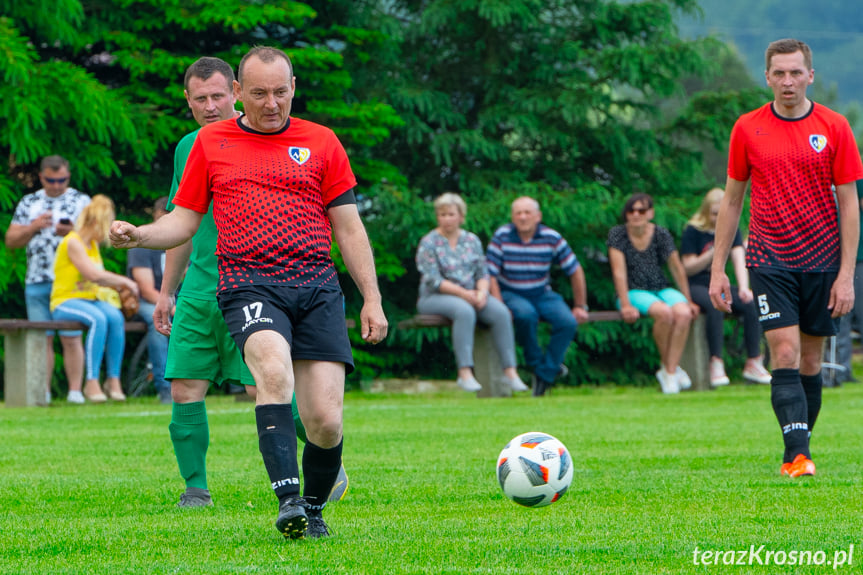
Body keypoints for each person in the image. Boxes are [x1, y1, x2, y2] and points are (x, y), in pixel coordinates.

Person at [111, 46, 387, 539]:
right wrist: (141, 235)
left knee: (324, 420)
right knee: (271, 373)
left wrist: (372, 297)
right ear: (242, 92)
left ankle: (314, 508)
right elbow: (184, 220)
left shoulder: (322, 142)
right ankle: (286, 501)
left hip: (317, 287)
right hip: (248, 283)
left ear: (294, 87)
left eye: (281, 92)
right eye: (259, 93)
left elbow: (348, 226)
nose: (271, 102)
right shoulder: (209, 143)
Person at [153, 57, 346, 510]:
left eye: (217, 96)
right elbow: (182, 221)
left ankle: (323, 448)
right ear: (188, 101)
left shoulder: (277, 140)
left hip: (258, 282)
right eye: (200, 99)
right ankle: (196, 488)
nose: (210, 105)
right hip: (203, 287)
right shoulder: (191, 147)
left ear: (234, 93)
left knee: (265, 385)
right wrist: (167, 291)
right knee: (184, 386)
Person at [709, 39, 863, 478]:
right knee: (785, 351)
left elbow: (850, 204)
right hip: (768, 257)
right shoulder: (747, 127)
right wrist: (719, 269)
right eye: (779, 73)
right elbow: (733, 201)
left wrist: (847, 275)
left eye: (796, 72)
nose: (788, 81)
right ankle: (797, 456)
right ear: (767, 77)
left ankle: (798, 448)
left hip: (823, 261)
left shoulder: (834, 126)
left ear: (810, 75)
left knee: (811, 362)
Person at [415, 193, 528, 393]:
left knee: (500, 312)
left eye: (451, 214)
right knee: (464, 311)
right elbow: (433, 280)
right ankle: (465, 372)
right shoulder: (429, 242)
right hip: (435, 296)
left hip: (472, 293)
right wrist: (465, 294)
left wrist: (482, 293)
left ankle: (510, 372)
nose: (447, 219)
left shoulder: (471, 240)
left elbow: (482, 272)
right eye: (442, 215)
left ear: (461, 216)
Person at [5, 155, 89, 404]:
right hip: (37, 280)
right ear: (42, 177)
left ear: (68, 176)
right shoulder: (30, 202)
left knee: (71, 337)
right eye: (51, 180)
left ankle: (75, 392)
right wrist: (33, 227)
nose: (56, 185)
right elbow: (11, 241)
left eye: (61, 179)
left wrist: (73, 231)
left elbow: (98, 238)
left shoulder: (80, 200)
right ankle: (42, 393)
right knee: (42, 339)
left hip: (70, 281)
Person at [486, 196, 589, 397]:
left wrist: (580, 305)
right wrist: (498, 304)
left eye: (527, 213)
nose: (523, 217)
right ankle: (539, 367)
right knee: (526, 315)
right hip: (511, 292)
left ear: (538, 216)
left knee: (567, 321)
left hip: (542, 293)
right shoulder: (502, 236)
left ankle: (544, 373)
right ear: (512, 217)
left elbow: (575, 270)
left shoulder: (552, 237)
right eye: (518, 213)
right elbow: (490, 274)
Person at [50, 195, 140, 403]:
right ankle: (91, 382)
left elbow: (99, 280)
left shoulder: (92, 245)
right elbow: (93, 275)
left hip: (90, 299)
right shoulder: (73, 241)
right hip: (66, 300)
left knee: (116, 318)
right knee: (98, 319)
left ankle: (113, 380)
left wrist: (117, 286)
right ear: (97, 222)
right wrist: (126, 282)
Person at [607, 193, 699, 394]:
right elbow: (618, 272)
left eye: (641, 210)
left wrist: (689, 300)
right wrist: (625, 304)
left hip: (660, 287)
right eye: (631, 210)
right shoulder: (618, 235)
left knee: (683, 313)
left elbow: (676, 267)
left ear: (650, 213)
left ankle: (669, 370)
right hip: (633, 290)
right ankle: (671, 371)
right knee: (664, 313)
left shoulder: (660, 233)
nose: (636, 215)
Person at [681, 188, 771, 386]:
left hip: (721, 283)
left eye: (722, 213)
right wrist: (715, 252)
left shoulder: (732, 229)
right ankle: (716, 362)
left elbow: (740, 259)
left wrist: (744, 288)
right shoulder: (693, 231)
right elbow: (687, 267)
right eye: (714, 213)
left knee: (751, 303)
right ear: (706, 212)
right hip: (696, 283)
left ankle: (753, 361)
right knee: (716, 305)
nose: (718, 218)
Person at [127, 196, 171, 403]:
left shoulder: (184, 239)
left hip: (175, 299)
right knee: (159, 323)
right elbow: (145, 289)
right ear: (156, 215)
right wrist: (170, 307)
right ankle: (165, 388)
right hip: (146, 301)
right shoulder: (143, 241)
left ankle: (234, 385)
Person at [832, 180, 863, 385]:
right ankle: (841, 369)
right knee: (843, 313)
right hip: (848, 258)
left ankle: (843, 369)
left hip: (855, 258)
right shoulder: (855, 179)